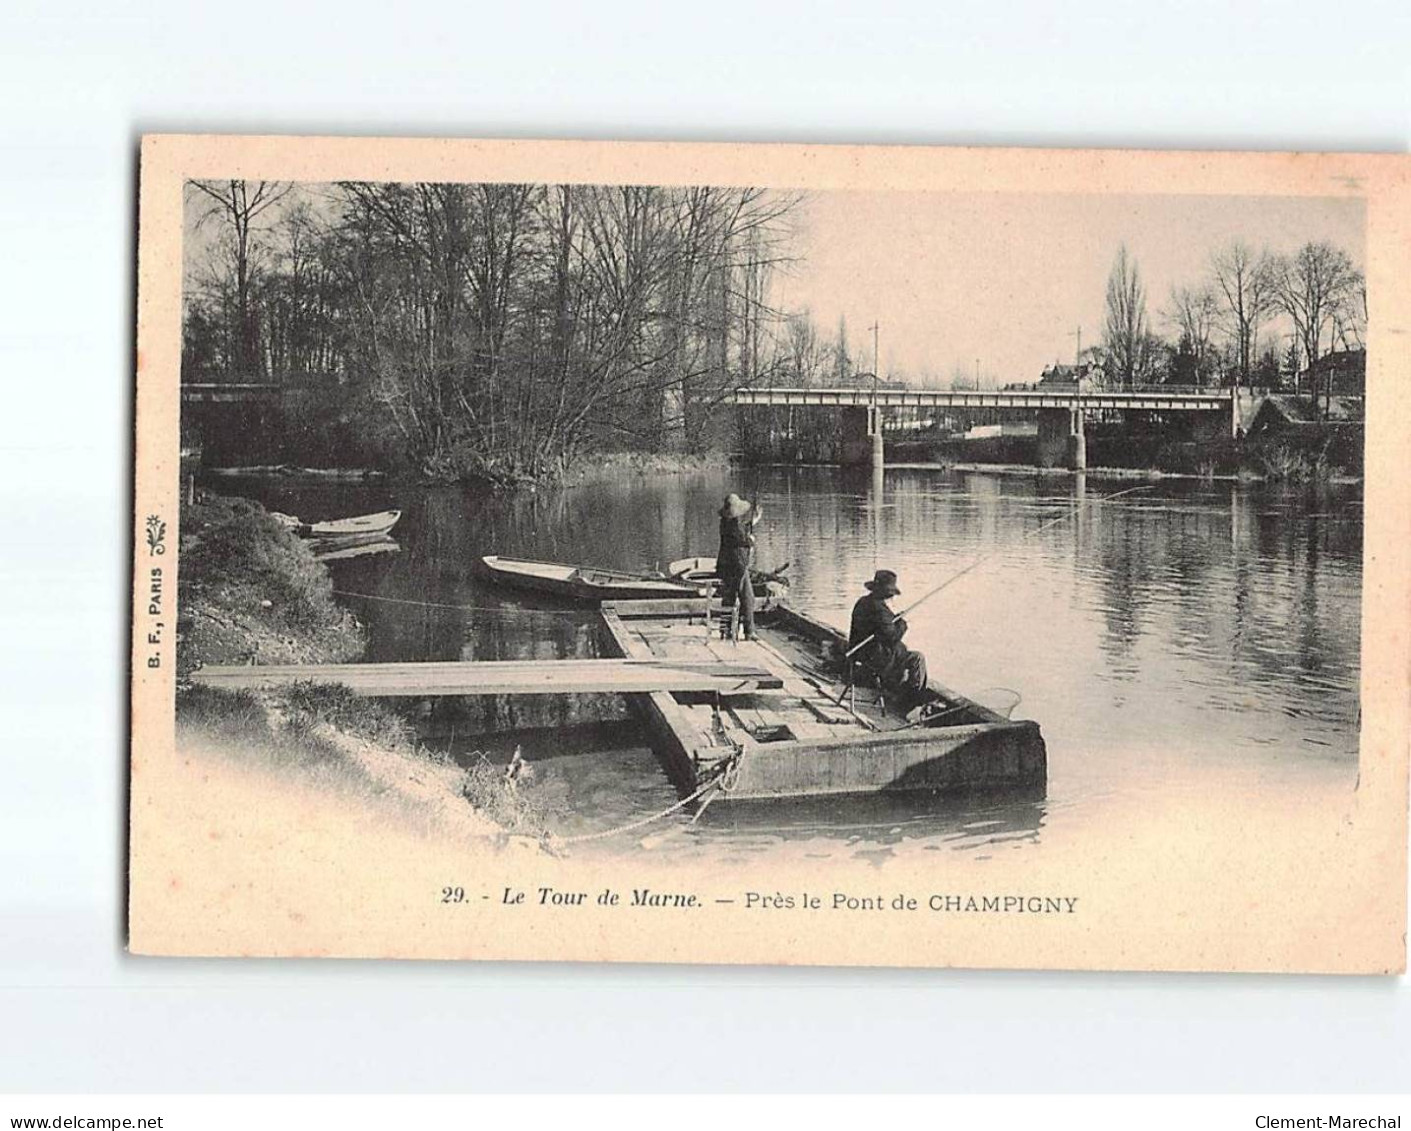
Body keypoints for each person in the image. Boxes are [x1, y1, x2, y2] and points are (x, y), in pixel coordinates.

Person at [847, 569, 928, 703]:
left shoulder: (863, 602)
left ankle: (897, 692)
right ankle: (914, 703)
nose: (892, 597)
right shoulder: (880, 610)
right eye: (890, 594)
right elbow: (892, 638)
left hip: (858, 654)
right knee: (917, 659)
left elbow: (881, 627)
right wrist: (902, 623)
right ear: (886, 593)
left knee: (903, 654)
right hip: (875, 659)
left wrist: (894, 618)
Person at [717, 492, 760, 640]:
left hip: (726, 566)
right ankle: (749, 632)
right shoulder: (733, 526)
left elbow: (741, 532)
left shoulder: (725, 522)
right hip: (737, 566)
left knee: (728, 598)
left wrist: (752, 522)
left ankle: (725, 629)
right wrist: (751, 540)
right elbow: (743, 539)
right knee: (748, 597)